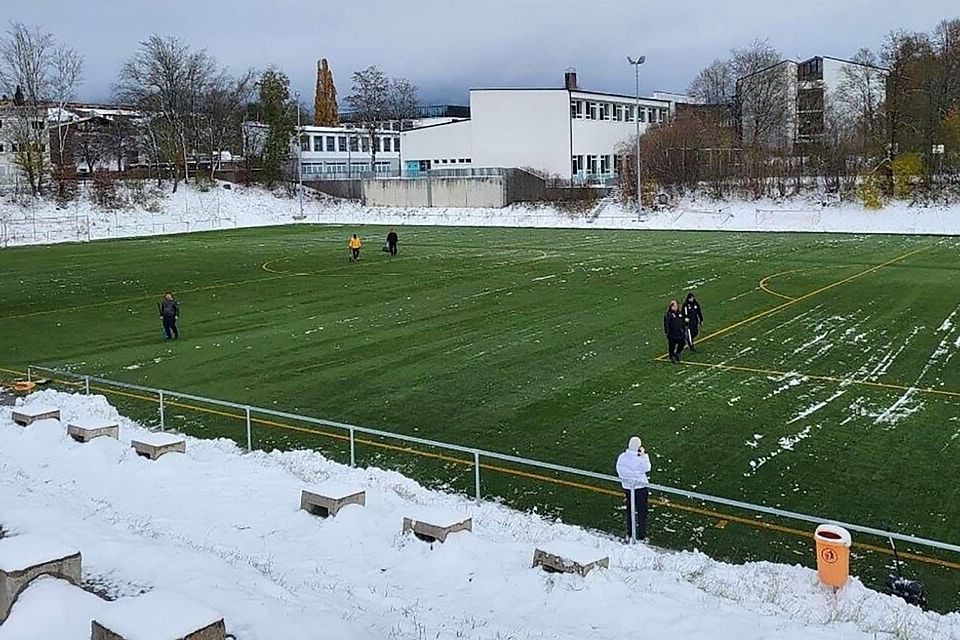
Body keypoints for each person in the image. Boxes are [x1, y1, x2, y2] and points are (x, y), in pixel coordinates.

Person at [616, 436, 652, 542]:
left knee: (630, 509)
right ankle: (641, 535)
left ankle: (630, 534)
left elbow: (620, 470)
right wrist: (644, 455)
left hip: (627, 487)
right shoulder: (639, 459)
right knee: (642, 511)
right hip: (640, 488)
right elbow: (647, 467)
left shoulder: (622, 457)